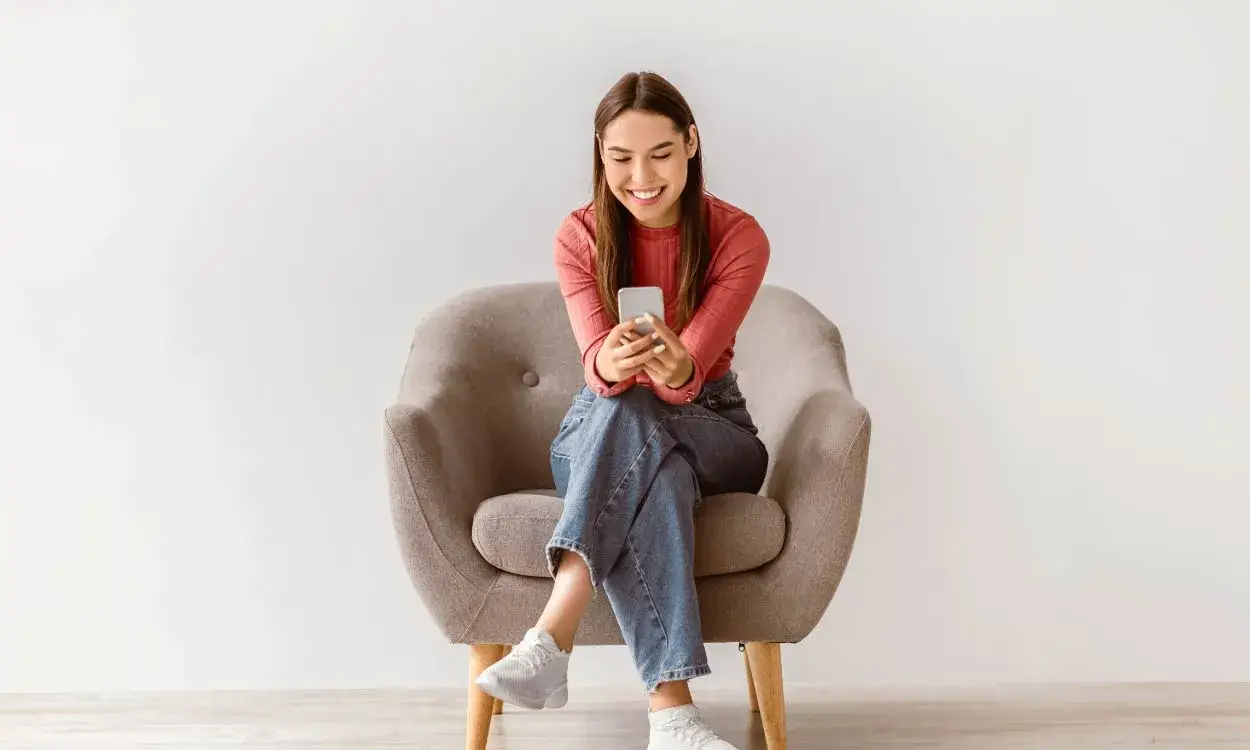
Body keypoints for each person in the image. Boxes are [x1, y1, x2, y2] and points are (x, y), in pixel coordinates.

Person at [476, 70, 770, 750]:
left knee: (647, 418)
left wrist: (675, 368)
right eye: (621, 157)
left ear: (691, 143)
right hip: (601, 421)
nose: (641, 176)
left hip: (715, 426)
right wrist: (611, 363)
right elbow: (596, 366)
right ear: (599, 154)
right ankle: (673, 719)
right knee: (650, 462)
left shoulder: (737, 237)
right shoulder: (578, 236)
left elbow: (686, 374)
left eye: (661, 154)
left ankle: (553, 635)